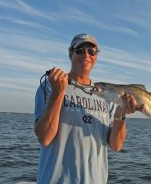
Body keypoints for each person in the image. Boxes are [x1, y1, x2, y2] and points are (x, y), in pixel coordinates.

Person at [34, 33, 144, 184]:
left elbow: (115, 145)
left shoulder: (107, 94)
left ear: (96, 56)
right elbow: (44, 137)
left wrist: (121, 114)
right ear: (70, 53)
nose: (86, 55)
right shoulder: (50, 85)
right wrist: (58, 91)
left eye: (91, 51)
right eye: (80, 50)